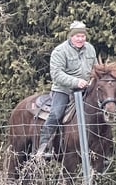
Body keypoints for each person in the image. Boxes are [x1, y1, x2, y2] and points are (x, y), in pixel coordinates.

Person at [36, 20, 98, 158]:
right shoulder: (60, 51)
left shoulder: (90, 49)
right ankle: (44, 146)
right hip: (63, 90)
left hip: (85, 90)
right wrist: (76, 82)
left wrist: (94, 80)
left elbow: (96, 68)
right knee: (56, 114)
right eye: (77, 36)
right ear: (71, 36)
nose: (80, 39)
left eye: (83, 36)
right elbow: (57, 74)